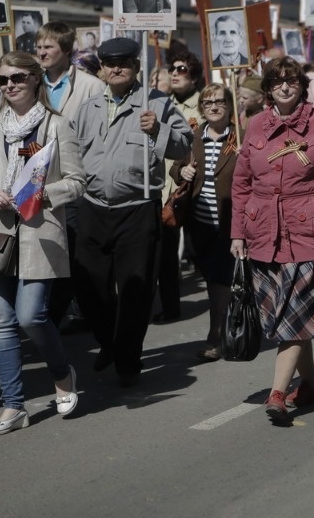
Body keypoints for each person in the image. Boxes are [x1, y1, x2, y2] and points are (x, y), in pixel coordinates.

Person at [0, 51, 85, 435]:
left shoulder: (56, 125)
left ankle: (61, 372)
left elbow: (78, 181)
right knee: (0, 322)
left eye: (17, 77)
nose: (9, 85)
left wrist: (42, 193)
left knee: (31, 315)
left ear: (36, 79)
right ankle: (13, 405)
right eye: (3, 80)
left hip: (39, 232)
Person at [72, 37, 192, 387]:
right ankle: (109, 340)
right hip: (93, 206)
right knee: (89, 287)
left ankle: (127, 358)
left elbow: (184, 145)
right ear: (102, 68)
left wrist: (158, 128)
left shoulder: (156, 103)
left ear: (137, 66)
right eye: (110, 63)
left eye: (124, 61)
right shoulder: (89, 107)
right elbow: (72, 152)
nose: (116, 68)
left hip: (137, 208)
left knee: (136, 290)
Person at [230, 56, 314, 425]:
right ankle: (309, 384)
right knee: (289, 316)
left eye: (291, 81)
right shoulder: (255, 124)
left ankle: (277, 393)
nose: (285, 87)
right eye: (277, 82)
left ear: (303, 85)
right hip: (263, 233)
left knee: (292, 316)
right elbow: (242, 182)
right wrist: (237, 233)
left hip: (309, 232)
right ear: (268, 89)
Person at [35, 22, 106, 327]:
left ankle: (58, 314)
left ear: (67, 50)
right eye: (38, 47)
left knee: (73, 253)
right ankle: (44, 313)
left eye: (48, 47)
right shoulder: (30, 81)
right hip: (36, 178)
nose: (41, 52)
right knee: (43, 249)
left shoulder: (91, 86)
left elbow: (102, 133)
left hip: (76, 181)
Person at [171, 84, 241, 361]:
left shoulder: (239, 138)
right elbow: (176, 167)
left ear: (229, 106)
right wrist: (182, 170)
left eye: (220, 102)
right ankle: (228, 326)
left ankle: (217, 337)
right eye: (208, 102)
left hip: (228, 222)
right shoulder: (193, 136)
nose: (214, 107)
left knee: (218, 281)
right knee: (213, 278)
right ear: (201, 107)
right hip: (197, 223)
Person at [155, 51, 205, 323]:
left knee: (203, 252)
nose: (175, 73)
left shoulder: (204, 105)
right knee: (166, 253)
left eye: (182, 69)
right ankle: (171, 307)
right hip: (167, 188)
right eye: (172, 68)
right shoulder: (162, 105)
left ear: (195, 76)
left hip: (196, 189)